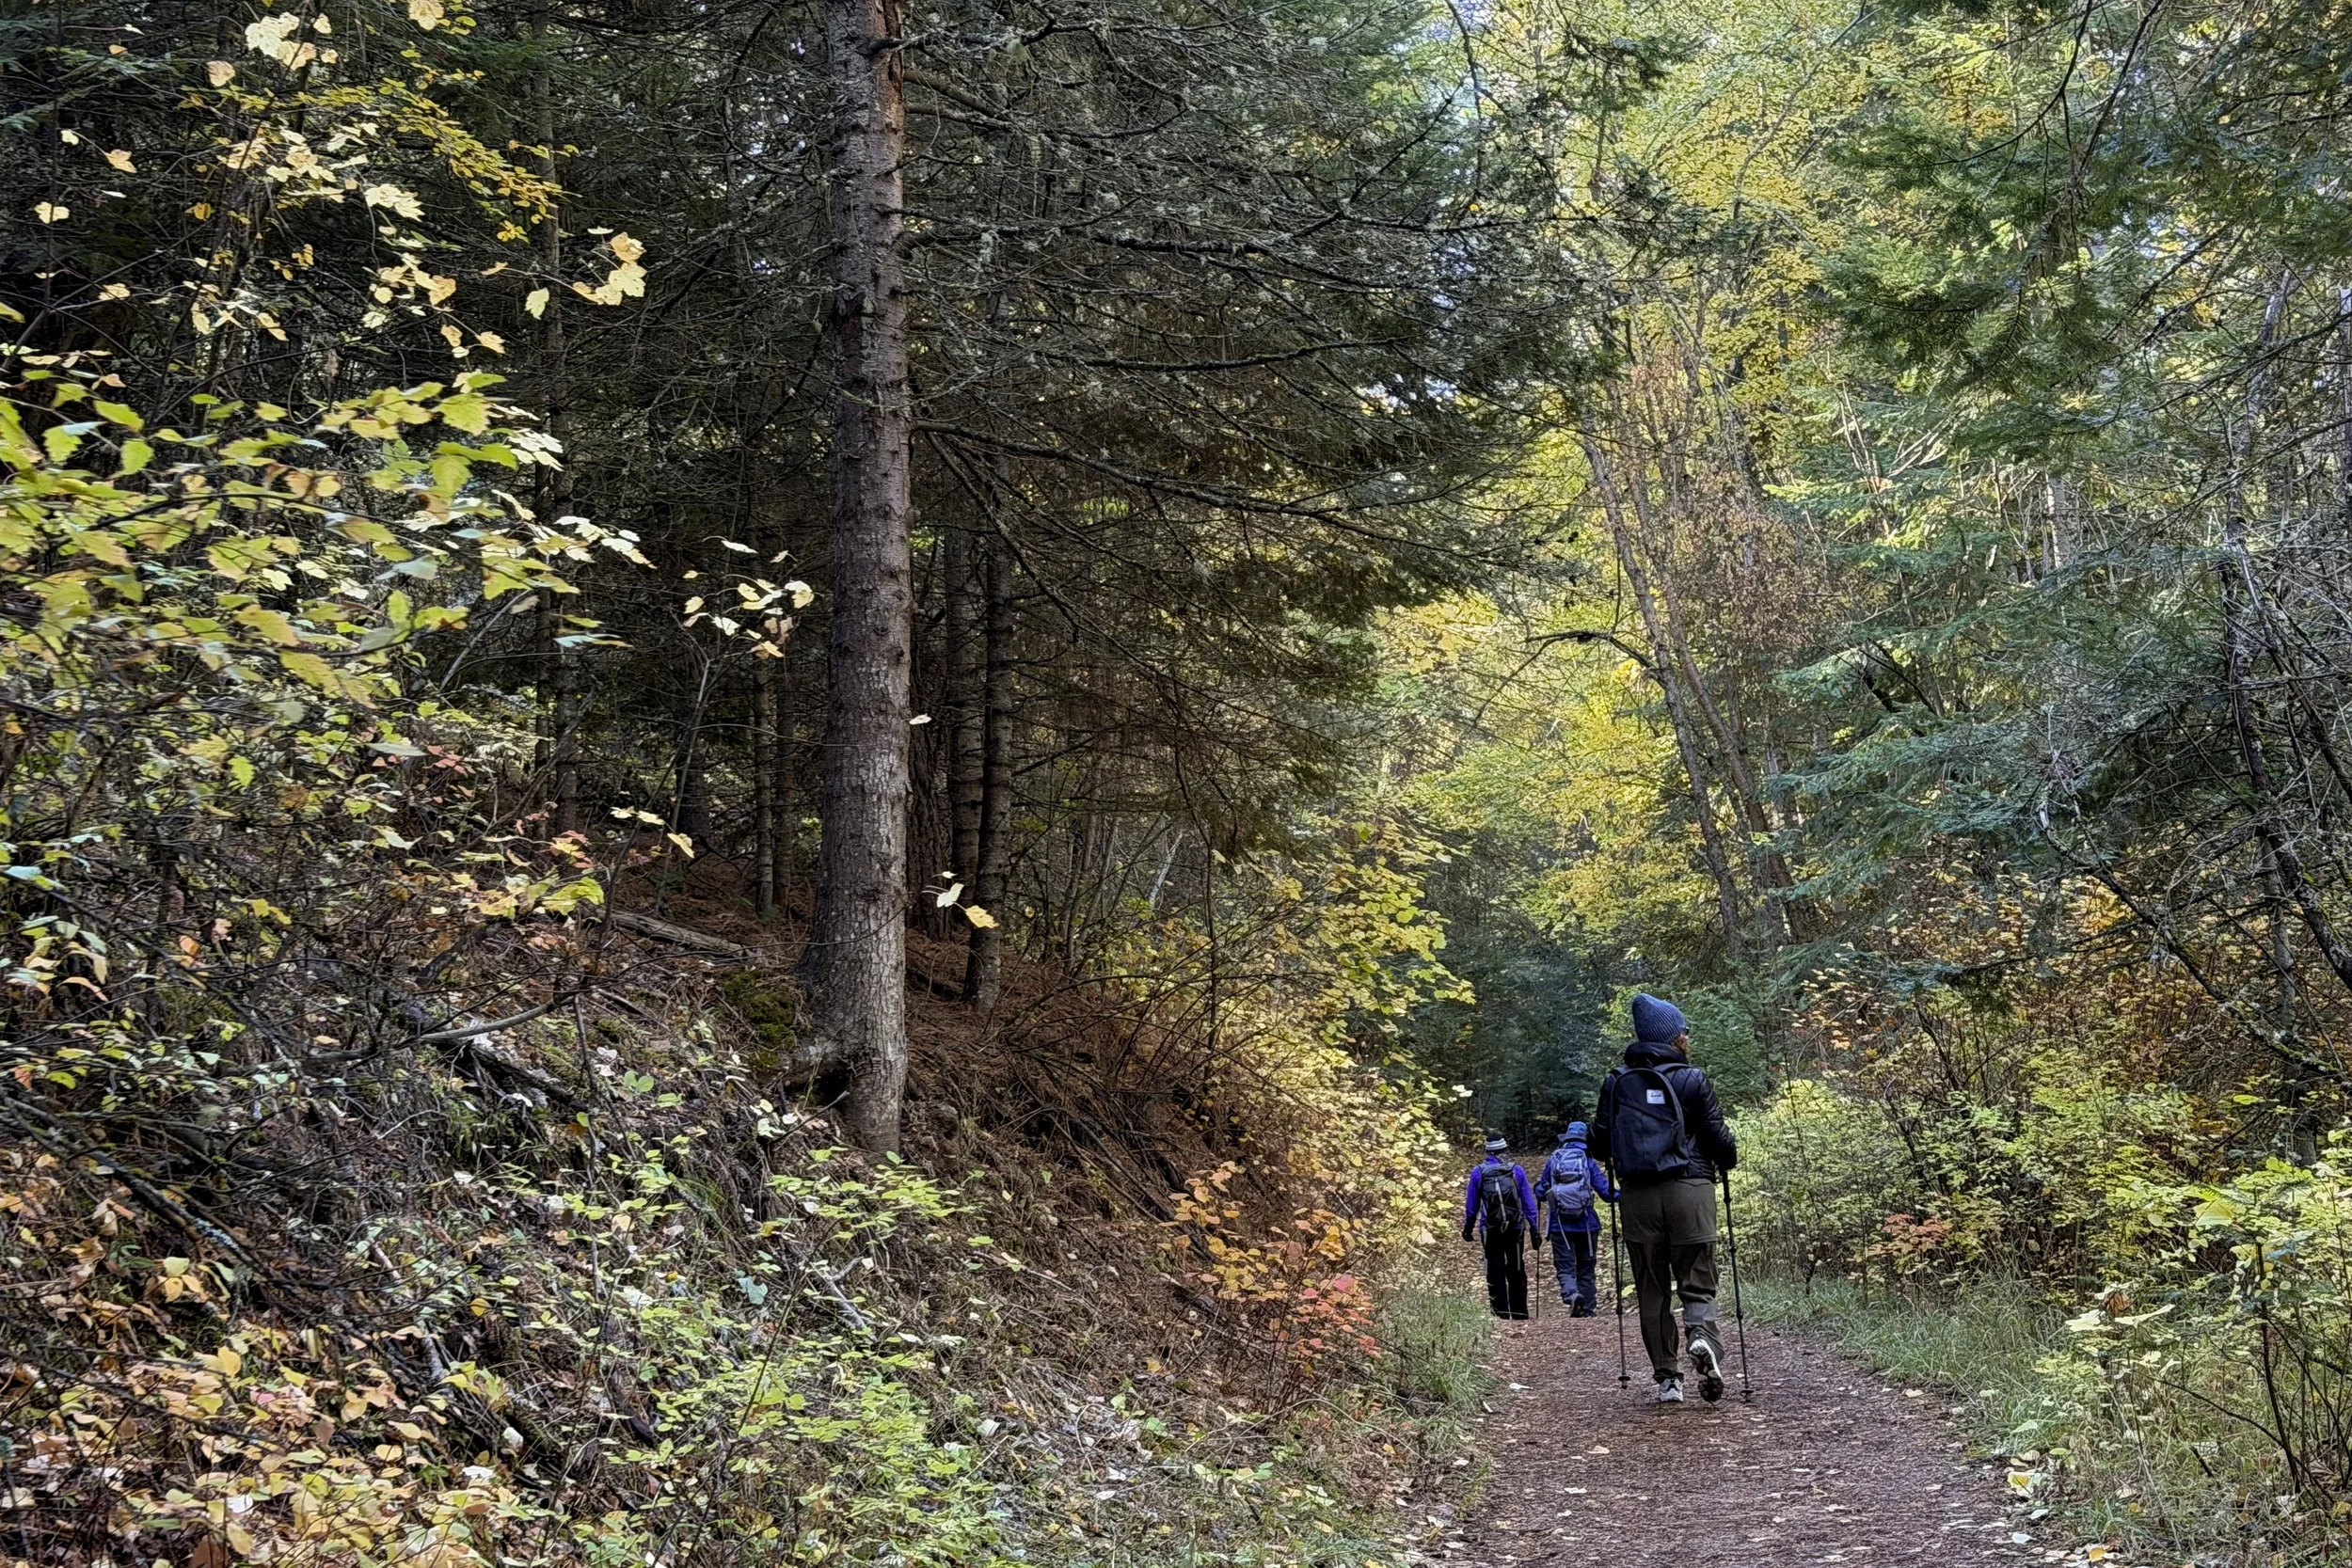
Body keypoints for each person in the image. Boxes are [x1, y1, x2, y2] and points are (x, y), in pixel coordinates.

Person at [1591, 993, 1738, 1404]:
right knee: (1697, 1278)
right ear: (1674, 1038)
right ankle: (1701, 1337)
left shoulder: (1617, 1082)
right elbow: (1717, 1139)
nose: (1687, 1036)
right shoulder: (1692, 1079)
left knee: (1651, 1288)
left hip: (1637, 1197)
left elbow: (1600, 1143)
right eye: (1684, 1030)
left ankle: (1668, 1379)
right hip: (1690, 1191)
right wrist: (1729, 1156)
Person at [1534, 1121, 1615, 1315]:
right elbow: (1606, 1193)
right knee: (1586, 1268)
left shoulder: (1554, 1160)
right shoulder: (1588, 1161)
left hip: (1559, 1224)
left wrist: (1539, 1189)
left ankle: (1571, 1295)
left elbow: (1540, 1192)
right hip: (1587, 1224)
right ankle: (1587, 1309)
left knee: (1565, 1266)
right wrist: (1626, 1195)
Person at [1461, 1134, 1537, 1320]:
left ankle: (1500, 1314)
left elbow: (1472, 1205)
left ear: (1487, 1151)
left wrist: (1468, 1227)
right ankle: (1519, 1313)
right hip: (1515, 1227)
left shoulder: (1478, 1172)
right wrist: (1534, 1229)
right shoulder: (1516, 1171)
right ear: (1505, 1150)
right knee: (1516, 1268)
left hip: (1490, 1228)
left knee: (1494, 1270)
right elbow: (1528, 1202)